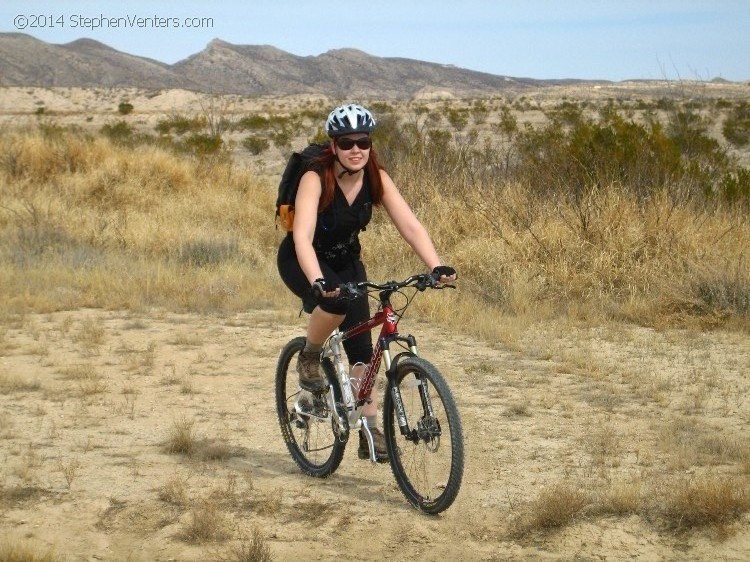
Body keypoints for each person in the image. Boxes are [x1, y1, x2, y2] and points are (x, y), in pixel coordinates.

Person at [277, 103, 456, 462]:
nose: (356, 149)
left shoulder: (376, 177)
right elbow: (302, 236)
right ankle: (310, 356)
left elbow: (410, 225)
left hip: (346, 261)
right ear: (333, 145)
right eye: (347, 142)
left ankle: (369, 428)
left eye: (364, 141)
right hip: (304, 258)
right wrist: (317, 280)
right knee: (334, 304)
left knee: (363, 351)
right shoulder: (316, 177)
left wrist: (436, 265)